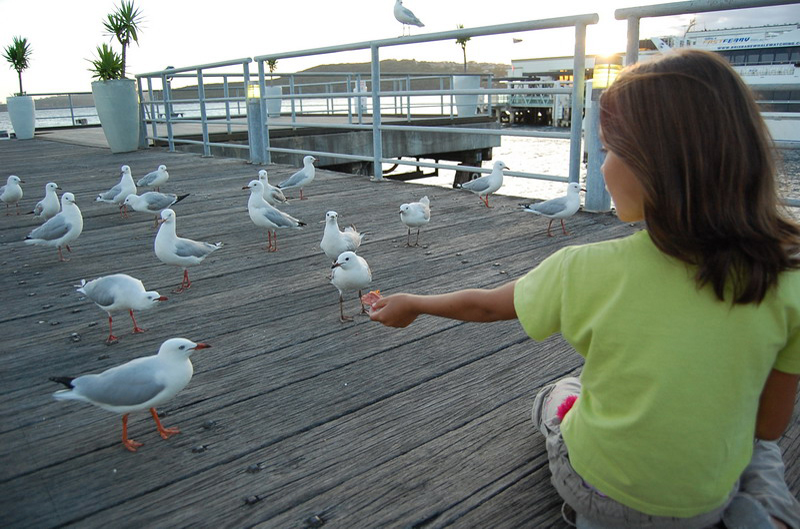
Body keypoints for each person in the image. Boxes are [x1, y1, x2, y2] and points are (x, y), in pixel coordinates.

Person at [369, 48, 800, 528]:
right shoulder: (789, 280)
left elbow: (487, 308)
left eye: (610, 150)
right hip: (706, 501)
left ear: (654, 166)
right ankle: (763, 512)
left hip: (602, 494)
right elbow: (769, 424)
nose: (600, 166)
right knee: (755, 446)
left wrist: (414, 303)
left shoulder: (585, 268)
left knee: (560, 395)